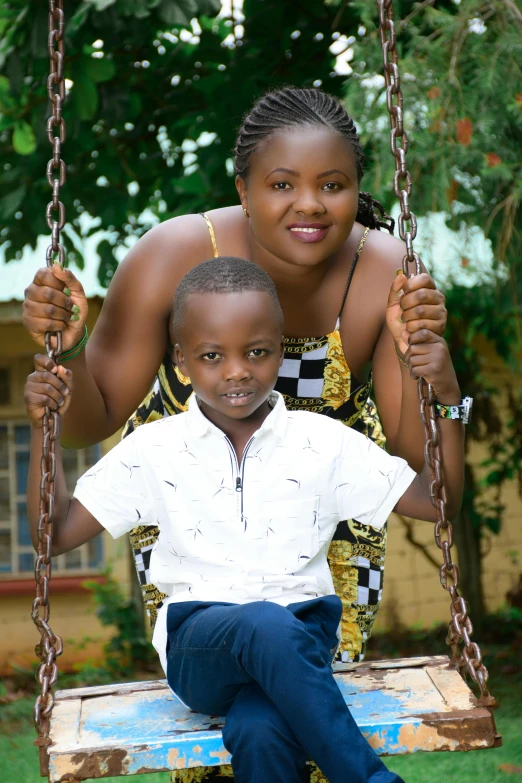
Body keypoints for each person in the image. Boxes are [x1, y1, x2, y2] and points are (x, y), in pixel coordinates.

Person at [23, 87, 449, 668]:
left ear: (355, 188)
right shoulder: (171, 258)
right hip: (191, 514)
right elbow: (84, 426)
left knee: (323, 686)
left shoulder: (383, 271)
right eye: (281, 185)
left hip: (329, 520)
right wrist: (65, 356)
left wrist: (420, 358)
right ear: (243, 191)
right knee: (216, 710)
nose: (310, 205)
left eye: (332, 185)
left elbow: (419, 462)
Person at [25, 257, 464, 783]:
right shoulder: (155, 449)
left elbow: (438, 503)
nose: (237, 371)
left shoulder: (323, 443)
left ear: (279, 351)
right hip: (199, 646)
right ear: (182, 360)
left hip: (302, 639)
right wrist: (42, 428)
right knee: (263, 621)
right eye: (212, 356)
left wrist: (447, 397)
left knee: (260, 731)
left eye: (256, 352)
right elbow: (52, 537)